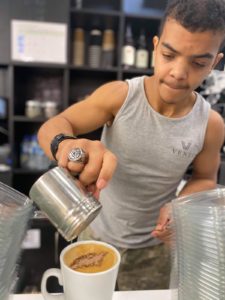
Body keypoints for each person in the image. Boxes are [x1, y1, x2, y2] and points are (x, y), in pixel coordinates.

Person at [38, 0, 225, 290]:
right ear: (154, 46)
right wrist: (68, 147)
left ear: (214, 63)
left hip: (152, 252)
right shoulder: (120, 96)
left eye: (198, 63)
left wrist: (180, 205)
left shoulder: (210, 124)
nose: (178, 72)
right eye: (168, 54)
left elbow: (204, 178)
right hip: (94, 235)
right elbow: (55, 124)